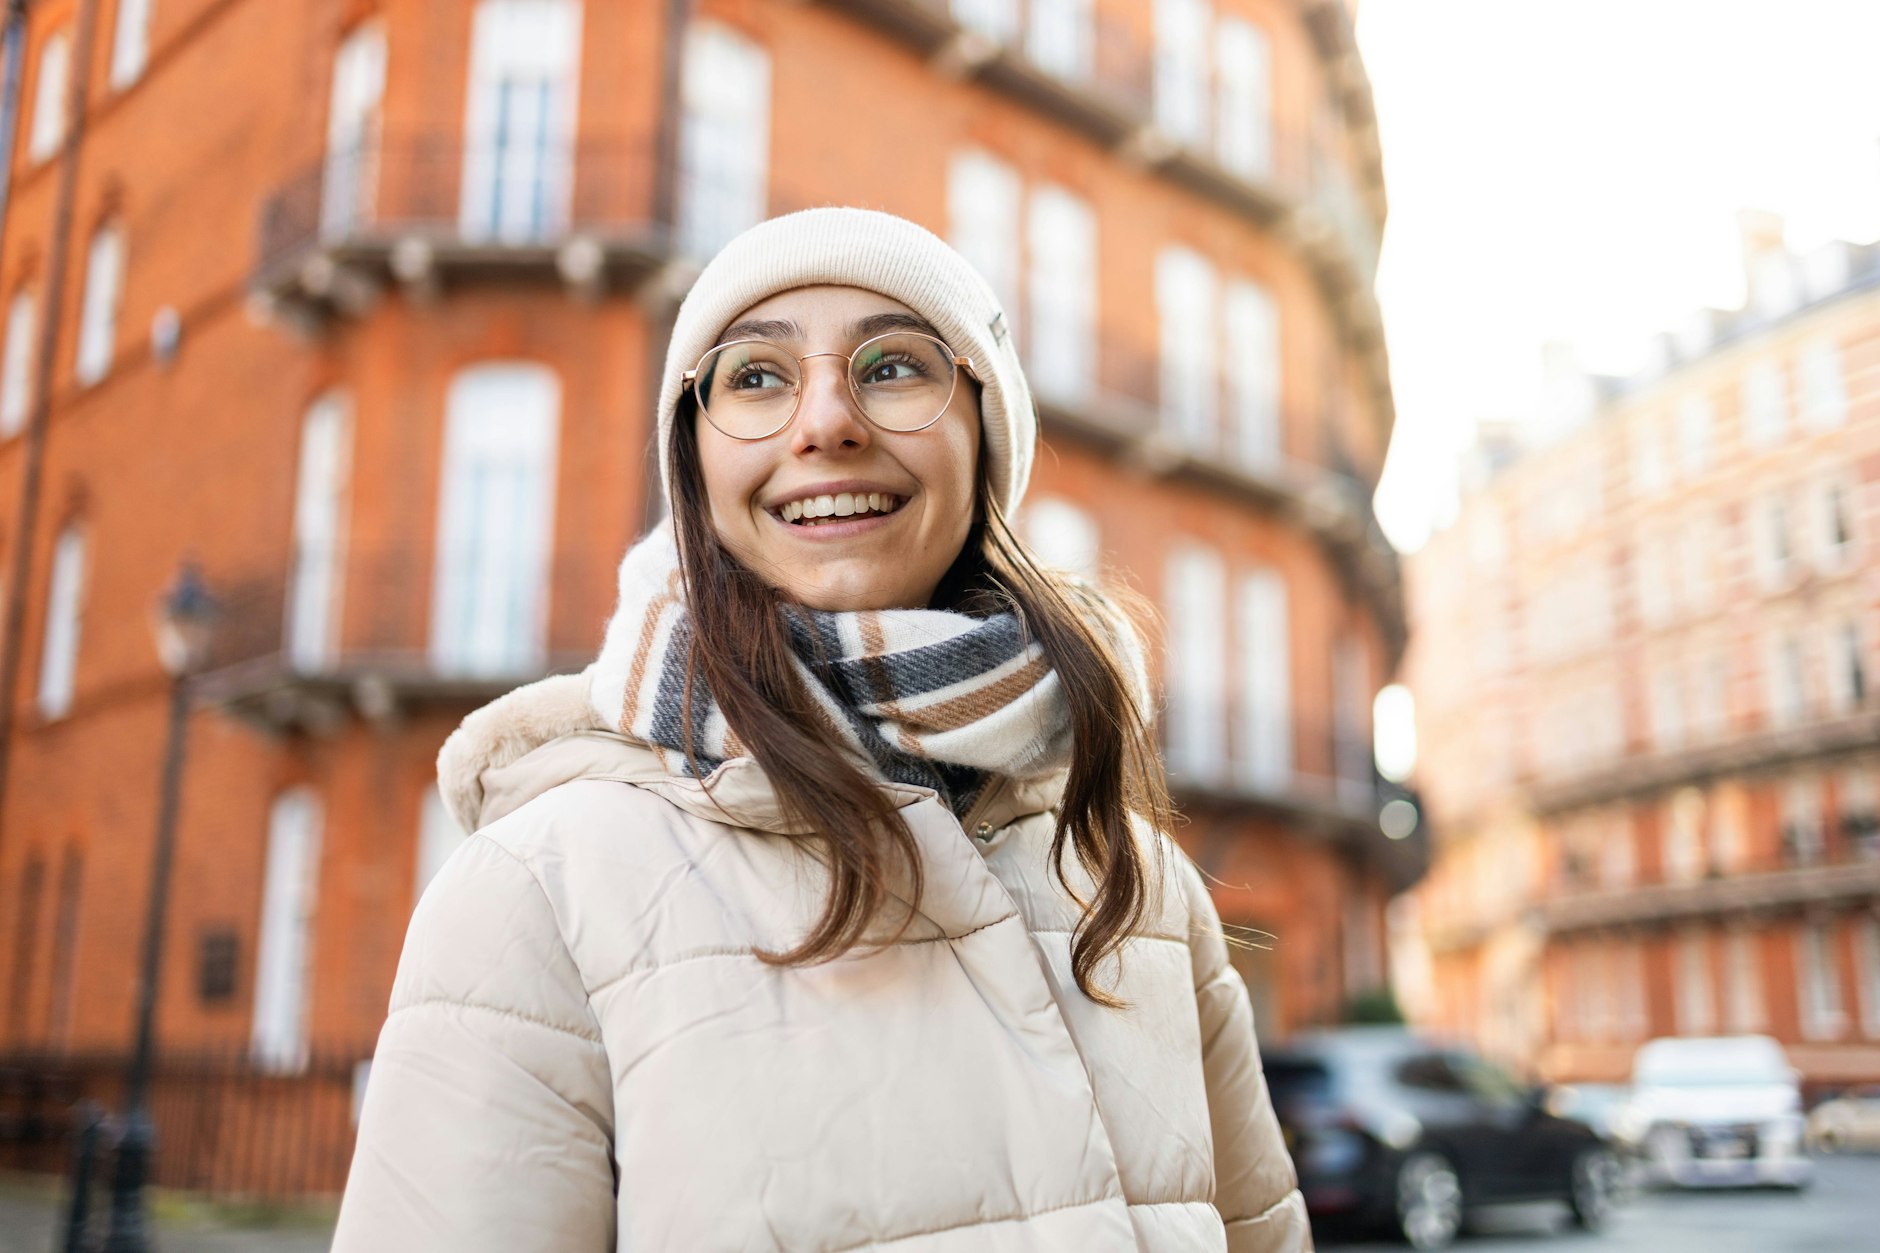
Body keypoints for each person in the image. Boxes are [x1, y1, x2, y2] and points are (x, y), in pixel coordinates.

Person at [331, 207, 1309, 1252]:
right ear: (694, 463)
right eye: (755, 376)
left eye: (894, 366)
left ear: (981, 437)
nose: (825, 420)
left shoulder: (1136, 884)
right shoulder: (539, 889)